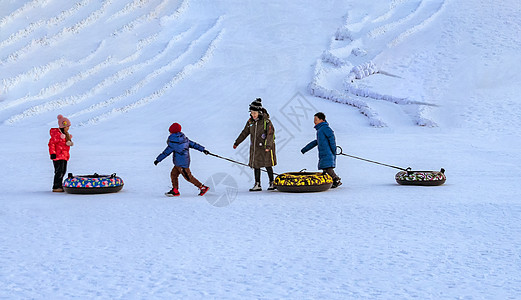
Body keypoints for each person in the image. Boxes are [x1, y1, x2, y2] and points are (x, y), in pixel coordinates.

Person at [154, 122, 210, 197]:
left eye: (170, 131)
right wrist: (203, 149)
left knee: (188, 177)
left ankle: (202, 187)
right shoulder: (185, 139)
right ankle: (175, 190)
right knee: (173, 174)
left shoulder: (173, 143)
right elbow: (194, 144)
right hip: (179, 163)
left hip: (182, 165)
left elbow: (166, 152)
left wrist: (158, 159)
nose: (169, 133)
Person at [233, 98, 277, 191]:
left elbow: (270, 134)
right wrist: (237, 142)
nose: (253, 115)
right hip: (256, 147)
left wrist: (268, 146)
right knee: (256, 165)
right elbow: (244, 132)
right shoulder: (250, 122)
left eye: (254, 113)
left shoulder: (266, 122)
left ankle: (272, 183)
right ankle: (257, 184)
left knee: (267, 164)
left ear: (259, 112)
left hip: (266, 146)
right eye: (251, 113)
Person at [301, 112, 342, 188]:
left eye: (316, 119)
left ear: (321, 120)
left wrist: (334, 150)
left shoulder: (325, 128)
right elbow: (317, 141)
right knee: (325, 168)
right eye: (314, 119)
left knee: (328, 168)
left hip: (328, 152)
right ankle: (329, 182)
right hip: (324, 153)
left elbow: (332, 139)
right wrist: (305, 149)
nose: (314, 121)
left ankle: (336, 180)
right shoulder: (320, 130)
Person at [48, 114, 74, 192]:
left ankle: (59, 185)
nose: (68, 128)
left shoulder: (66, 135)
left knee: (63, 171)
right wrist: (52, 153)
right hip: (58, 156)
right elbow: (51, 144)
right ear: (63, 126)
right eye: (67, 127)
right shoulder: (57, 135)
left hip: (64, 156)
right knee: (59, 171)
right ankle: (56, 186)